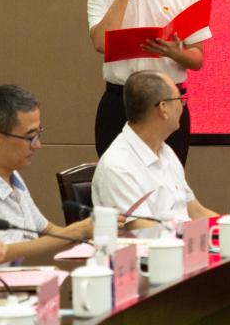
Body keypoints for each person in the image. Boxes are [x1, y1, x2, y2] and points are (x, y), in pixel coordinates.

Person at [87, 0, 211, 165]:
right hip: (118, 103)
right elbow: (101, 44)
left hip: (167, 103)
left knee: (167, 183)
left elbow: (197, 59)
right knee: (116, 181)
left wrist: (175, 52)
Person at [92, 72, 217, 228]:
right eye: (180, 99)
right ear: (163, 108)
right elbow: (142, 230)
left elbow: (195, 212)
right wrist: (198, 236)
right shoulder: (118, 166)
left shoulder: (165, 152)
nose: (182, 105)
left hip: (184, 239)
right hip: (158, 242)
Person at [0, 85, 93, 262]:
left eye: (38, 134)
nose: (37, 145)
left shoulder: (13, 176)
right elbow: (2, 253)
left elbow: (46, 229)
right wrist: (77, 231)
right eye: (30, 137)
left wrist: (91, 237)